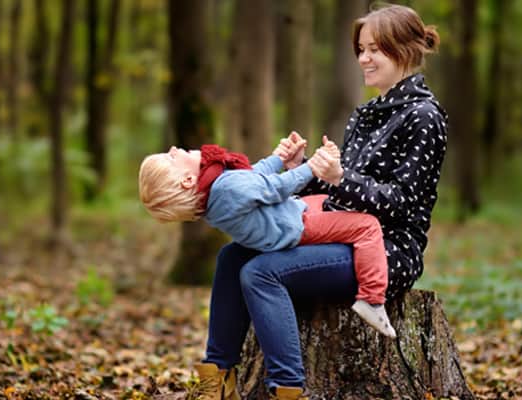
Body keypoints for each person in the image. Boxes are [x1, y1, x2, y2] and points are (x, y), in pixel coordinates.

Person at [177, 3, 448, 399]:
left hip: (384, 250)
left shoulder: (423, 116)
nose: (364, 58)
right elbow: (338, 187)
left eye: (375, 49)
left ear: (405, 49)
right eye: (361, 49)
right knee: (232, 257)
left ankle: (287, 389)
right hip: (336, 228)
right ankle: (216, 380)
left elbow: (404, 203)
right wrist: (303, 170)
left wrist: (340, 178)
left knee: (261, 272)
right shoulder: (365, 114)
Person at [138, 138, 396, 337]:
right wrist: (312, 167)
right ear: (186, 180)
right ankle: (372, 299)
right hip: (296, 226)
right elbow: (276, 187)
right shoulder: (226, 188)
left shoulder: (217, 188)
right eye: (170, 158)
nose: (173, 148)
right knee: (367, 225)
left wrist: (279, 158)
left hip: (291, 216)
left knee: (327, 201)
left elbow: (253, 178)